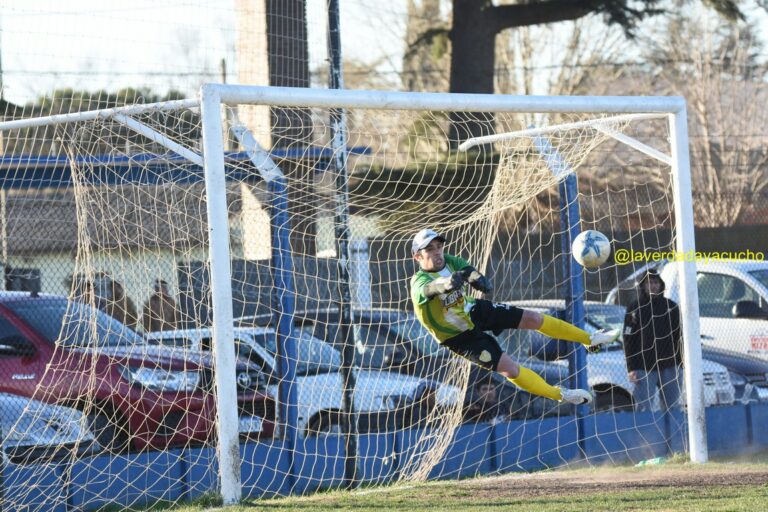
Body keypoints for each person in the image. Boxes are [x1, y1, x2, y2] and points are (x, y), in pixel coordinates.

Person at [410, 228, 620, 406]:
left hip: (473, 310)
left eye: (439, 246)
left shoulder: (447, 261)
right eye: (429, 249)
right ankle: (561, 394)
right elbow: (429, 289)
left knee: (533, 318)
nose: (437, 252)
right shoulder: (419, 281)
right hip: (458, 337)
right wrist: (446, 285)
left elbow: (467, 270)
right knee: (509, 369)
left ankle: (590, 339)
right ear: (418, 257)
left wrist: (477, 279)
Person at [623, 268, 683, 412]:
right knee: (643, 407)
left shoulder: (671, 307)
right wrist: (631, 368)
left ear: (661, 285)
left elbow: (679, 336)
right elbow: (627, 338)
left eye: (656, 282)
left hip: (670, 365)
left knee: (672, 407)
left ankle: (673, 434)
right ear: (643, 286)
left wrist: (680, 364)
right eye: (649, 282)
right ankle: (644, 434)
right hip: (643, 366)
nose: (653, 285)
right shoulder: (634, 308)